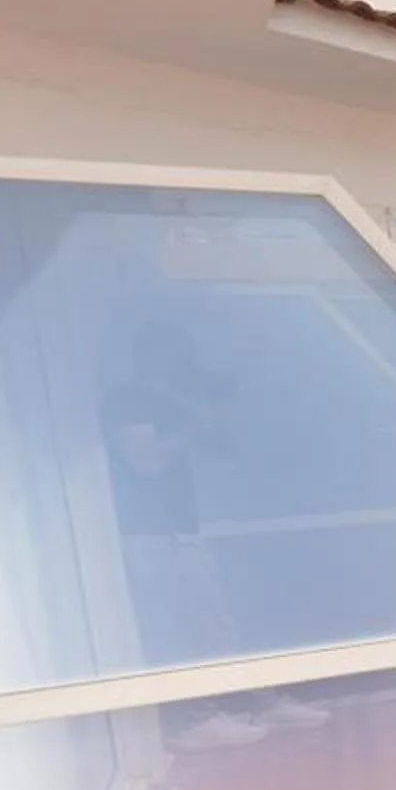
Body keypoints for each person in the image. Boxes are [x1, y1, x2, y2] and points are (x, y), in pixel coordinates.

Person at [104, 320, 321, 749]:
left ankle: (253, 700)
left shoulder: (165, 402)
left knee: (214, 623)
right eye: (178, 356)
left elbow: (226, 452)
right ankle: (192, 721)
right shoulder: (126, 402)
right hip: (150, 537)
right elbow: (145, 460)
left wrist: (201, 417)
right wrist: (189, 425)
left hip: (180, 532)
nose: (185, 366)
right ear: (153, 355)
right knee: (180, 629)